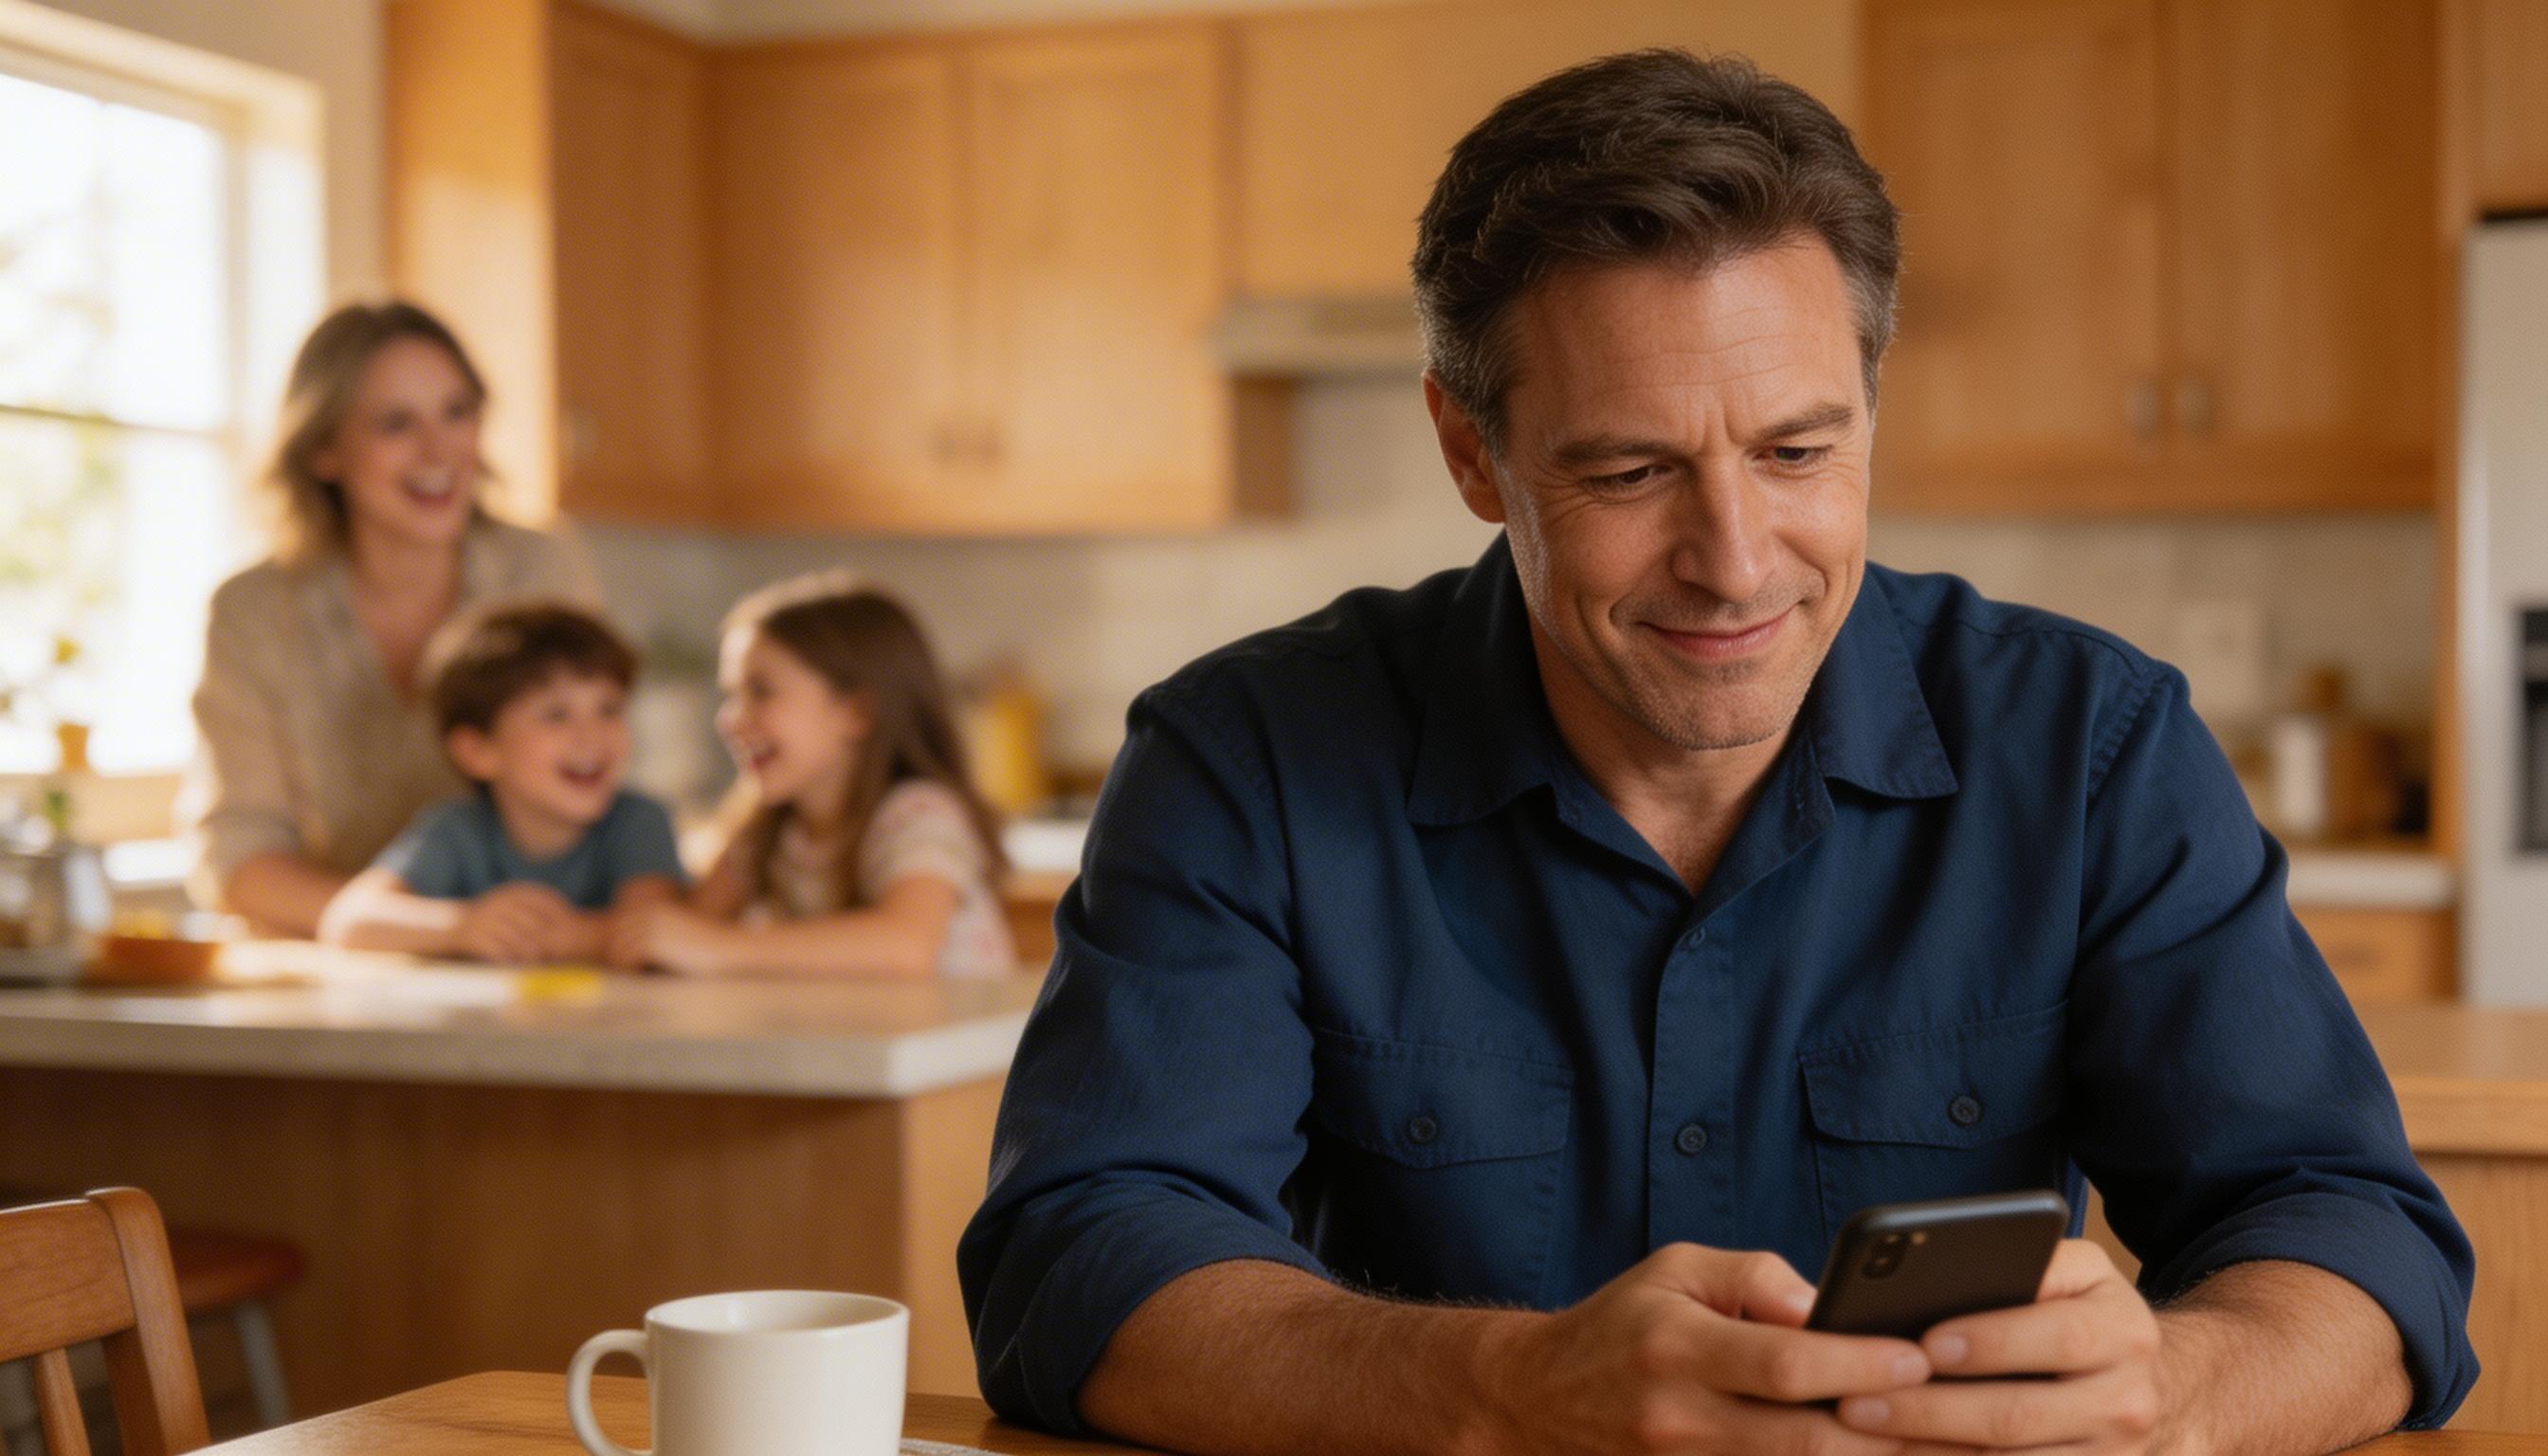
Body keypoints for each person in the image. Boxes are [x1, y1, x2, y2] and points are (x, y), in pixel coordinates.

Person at [958, 49, 2474, 1455]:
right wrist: (1504, 1393)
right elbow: (1080, 1255)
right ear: (1470, 451)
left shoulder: (2092, 748)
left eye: (1800, 452)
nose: (1737, 562)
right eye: (1630, 470)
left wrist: (2181, 1395)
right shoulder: (1246, 763)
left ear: (1873, 407)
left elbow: (2353, 1236)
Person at [179, 300, 598, 937]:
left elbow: (596, 781)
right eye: (395, 423)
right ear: (324, 450)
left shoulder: (540, 569)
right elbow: (238, 858)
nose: (440, 449)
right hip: (346, 975)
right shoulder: (254, 612)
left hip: (535, 956)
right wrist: (425, 925)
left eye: (457, 412)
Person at [609, 573, 1014, 980]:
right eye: (731, 694)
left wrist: (723, 947)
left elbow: (906, 946)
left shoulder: (919, 814)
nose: (729, 720)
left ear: (856, 712)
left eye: (761, 691)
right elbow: (682, 930)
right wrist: (569, 932)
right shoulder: (764, 826)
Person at [318, 602, 683, 961]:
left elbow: (650, 936)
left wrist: (566, 934)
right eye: (556, 715)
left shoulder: (639, 823)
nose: (592, 736)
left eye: (609, 709)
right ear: (478, 752)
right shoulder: (456, 828)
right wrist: (463, 926)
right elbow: (348, 919)